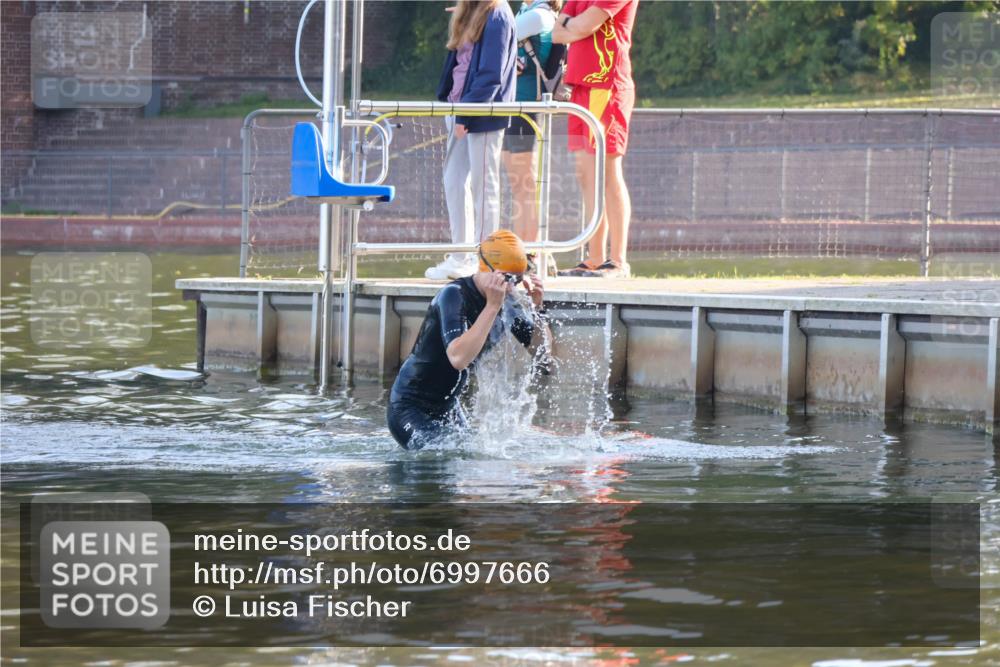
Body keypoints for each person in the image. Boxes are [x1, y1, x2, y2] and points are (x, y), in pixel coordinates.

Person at [389, 231, 548, 450]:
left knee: (466, 457)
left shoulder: (507, 301)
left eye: (518, 280)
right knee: (438, 460)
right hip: (410, 408)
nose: (512, 286)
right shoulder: (454, 295)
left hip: (449, 407)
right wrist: (492, 307)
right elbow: (458, 358)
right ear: (487, 268)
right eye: (508, 278)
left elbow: (542, 351)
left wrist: (538, 309)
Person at [426, 0, 519, 281]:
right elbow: (460, 62)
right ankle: (460, 255)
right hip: (457, 109)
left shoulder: (498, 15)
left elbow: (490, 74)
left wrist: (466, 115)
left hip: (482, 114)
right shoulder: (472, 11)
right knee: (454, 180)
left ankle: (485, 259)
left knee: (483, 185)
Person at [552, 0, 638, 278]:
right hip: (580, 87)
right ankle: (595, 257)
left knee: (608, 172)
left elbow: (583, 25)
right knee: (585, 174)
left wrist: (574, 25)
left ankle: (617, 261)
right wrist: (573, 26)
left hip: (607, 85)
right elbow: (557, 33)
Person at [502, 0, 563, 245]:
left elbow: (493, 34)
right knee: (519, 186)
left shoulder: (537, 16)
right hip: (516, 106)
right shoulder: (527, 13)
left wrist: (473, 15)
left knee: (524, 185)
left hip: (526, 106)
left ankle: (530, 249)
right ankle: (523, 247)